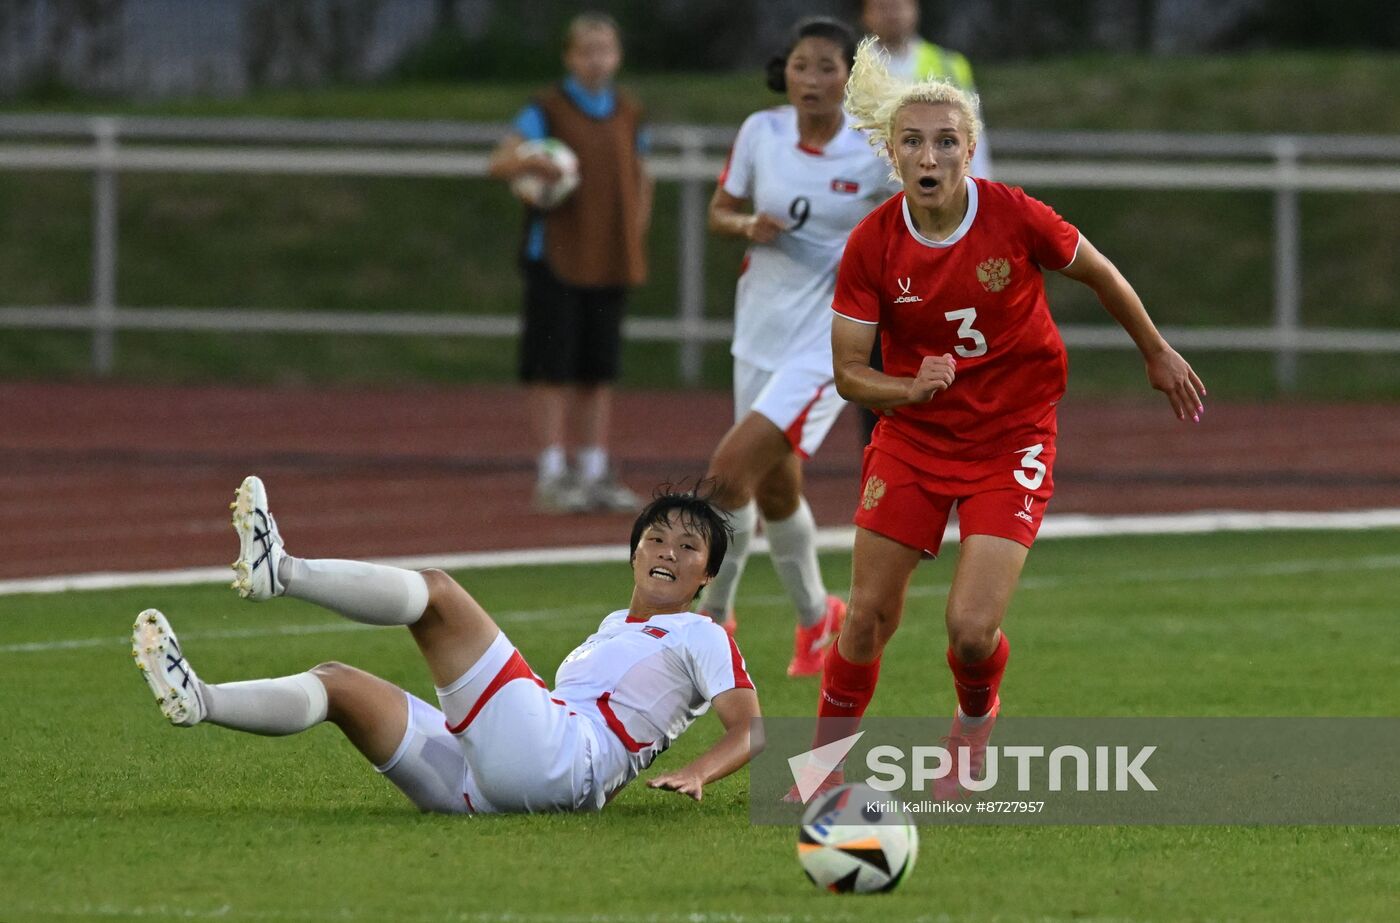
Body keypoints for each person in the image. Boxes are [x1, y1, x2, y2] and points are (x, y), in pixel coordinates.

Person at [798, 39, 1205, 800]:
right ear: (893, 152)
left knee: (971, 629)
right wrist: (906, 389)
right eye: (914, 141)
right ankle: (820, 769)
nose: (931, 154)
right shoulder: (873, 245)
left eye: (946, 141)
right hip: (914, 439)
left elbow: (1100, 271)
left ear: (969, 150)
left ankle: (973, 727)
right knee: (865, 620)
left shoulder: (1014, 215)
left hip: (1012, 436)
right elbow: (850, 371)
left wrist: (1156, 350)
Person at [133, 476, 760, 813]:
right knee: (337, 683)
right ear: (633, 552)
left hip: (556, 761)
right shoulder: (610, 628)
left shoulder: (700, 632)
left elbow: (752, 730)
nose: (667, 554)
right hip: (495, 785)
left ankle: (283, 572)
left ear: (707, 576)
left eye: (687, 548)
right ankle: (203, 700)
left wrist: (698, 771)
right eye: (656, 539)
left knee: (436, 593)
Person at [697, 17, 897, 678]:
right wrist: (747, 222)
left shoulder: (873, 151)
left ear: (849, 78)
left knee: (727, 474)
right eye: (801, 66)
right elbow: (719, 211)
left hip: (826, 341)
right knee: (774, 487)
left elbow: (914, 226)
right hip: (758, 327)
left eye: (827, 68)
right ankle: (817, 619)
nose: (811, 80)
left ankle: (710, 622)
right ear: (784, 71)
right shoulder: (761, 131)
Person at [487, 12, 652, 514]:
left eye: (605, 49)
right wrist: (529, 164)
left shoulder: (628, 111)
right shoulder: (547, 109)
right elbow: (501, 161)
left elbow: (640, 176)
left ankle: (594, 469)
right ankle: (552, 472)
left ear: (617, 56)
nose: (596, 59)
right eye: (586, 51)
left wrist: (634, 231)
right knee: (550, 368)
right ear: (570, 56)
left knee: (598, 370)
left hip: (608, 258)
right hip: (555, 256)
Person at [857, 0, 992, 448]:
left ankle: (965, 448)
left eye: (900, 2)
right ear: (865, 13)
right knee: (877, 349)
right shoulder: (853, 70)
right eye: (881, 3)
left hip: (942, 229)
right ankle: (883, 454)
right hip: (879, 228)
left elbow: (975, 143)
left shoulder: (948, 64)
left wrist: (981, 209)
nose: (891, 11)